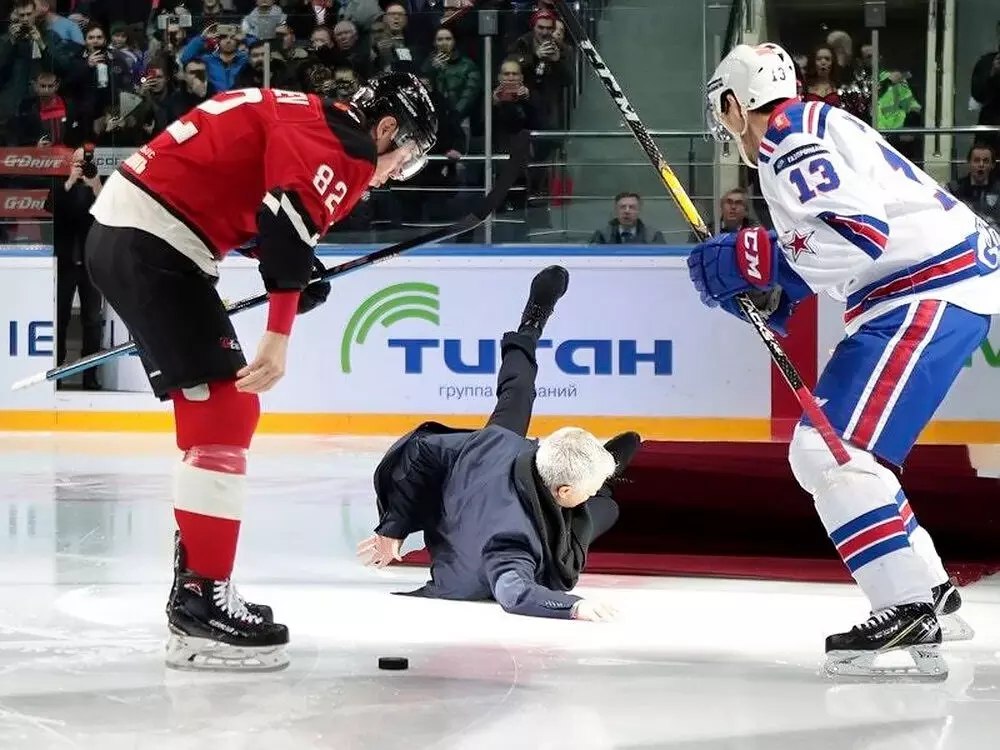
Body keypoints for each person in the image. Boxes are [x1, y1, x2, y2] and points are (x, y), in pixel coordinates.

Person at [84, 73, 438, 672]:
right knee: (224, 413)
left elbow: (251, 196)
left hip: (141, 232)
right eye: (403, 159)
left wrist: (290, 267)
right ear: (386, 128)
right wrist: (278, 333)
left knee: (218, 413)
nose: (392, 174)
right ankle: (201, 604)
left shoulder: (312, 117)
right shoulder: (351, 147)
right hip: (155, 242)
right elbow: (286, 219)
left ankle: (199, 590)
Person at [691, 42, 1000, 680]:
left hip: (928, 289)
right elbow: (843, 239)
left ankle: (905, 608)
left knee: (830, 450)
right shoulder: (808, 126)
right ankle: (931, 595)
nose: (724, 125)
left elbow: (859, 234)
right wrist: (782, 291)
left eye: (722, 110)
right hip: (932, 287)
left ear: (735, 104)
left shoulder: (786, 137)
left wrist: (756, 258)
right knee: (845, 453)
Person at [357, 266, 640, 621]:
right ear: (564, 491)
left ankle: (530, 326)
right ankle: (607, 476)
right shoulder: (513, 541)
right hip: (470, 559)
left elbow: (419, 450)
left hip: (483, 482)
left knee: (517, 392)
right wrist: (575, 606)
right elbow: (516, 593)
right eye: (589, 485)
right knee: (604, 510)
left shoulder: (494, 446)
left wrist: (394, 525)